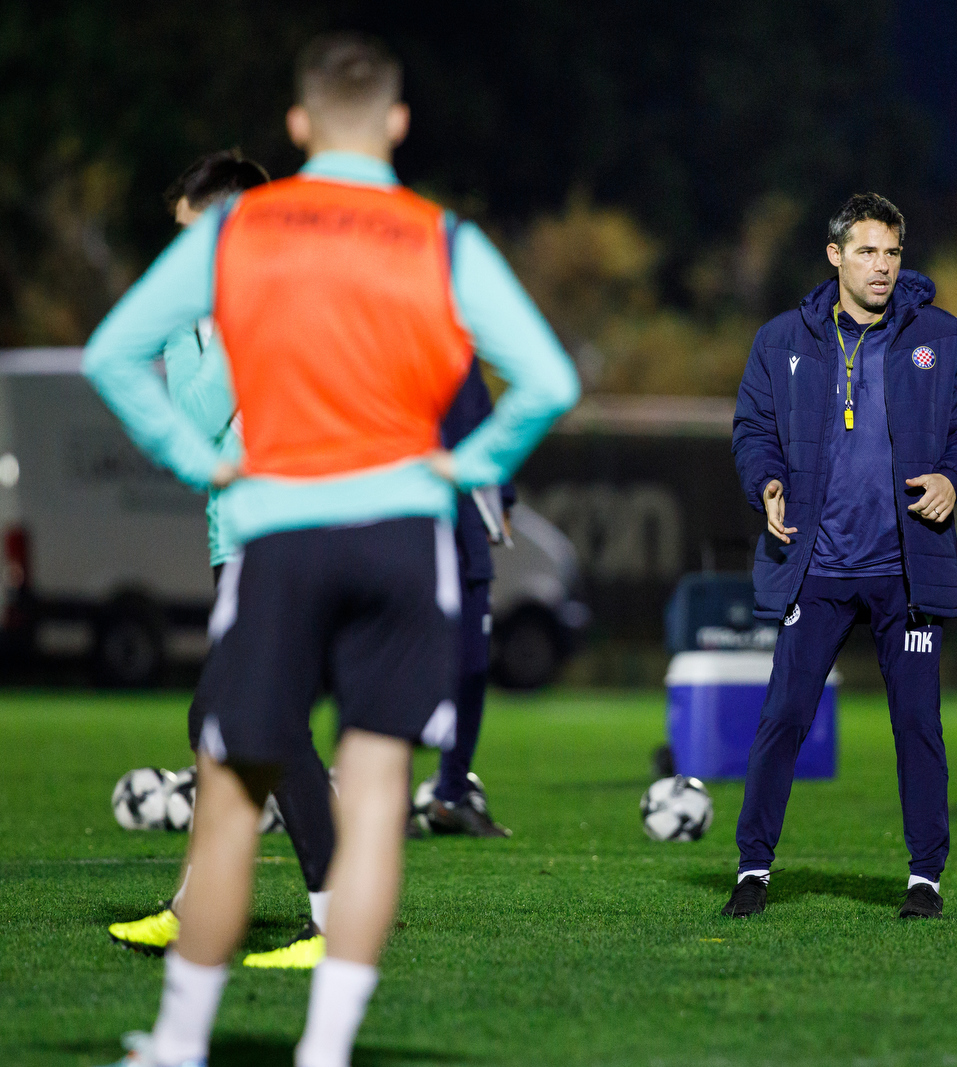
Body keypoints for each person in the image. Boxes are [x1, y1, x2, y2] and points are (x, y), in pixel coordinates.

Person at [84, 34, 578, 1067]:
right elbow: (548, 379)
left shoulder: (243, 232)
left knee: (229, 785)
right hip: (402, 536)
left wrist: (192, 456)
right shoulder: (441, 238)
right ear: (397, 125)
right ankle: (329, 1048)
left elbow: (111, 351)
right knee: (376, 778)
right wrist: (469, 460)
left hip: (279, 528)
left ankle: (177, 1044)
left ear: (299, 127)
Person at [726, 193, 957, 920]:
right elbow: (752, 428)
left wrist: (953, 477)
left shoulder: (941, 337)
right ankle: (753, 868)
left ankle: (925, 879)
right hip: (812, 566)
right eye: (869, 251)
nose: (882, 267)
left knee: (916, 724)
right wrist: (768, 482)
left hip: (904, 567)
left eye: (893, 253)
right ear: (835, 255)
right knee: (782, 716)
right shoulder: (782, 339)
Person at [106, 150, 339, 972]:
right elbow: (195, 421)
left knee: (250, 718)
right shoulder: (191, 315)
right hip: (229, 536)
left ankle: (328, 920)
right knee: (234, 722)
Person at [421, 359, 517, 837]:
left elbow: (490, 431)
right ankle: (388, 800)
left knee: (473, 668)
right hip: (414, 534)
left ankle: (451, 795)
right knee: (400, 672)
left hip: (467, 540)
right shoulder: (393, 349)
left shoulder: (461, 362)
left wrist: (506, 500)